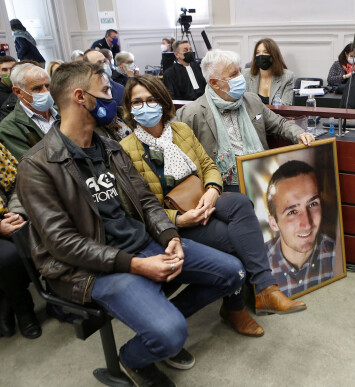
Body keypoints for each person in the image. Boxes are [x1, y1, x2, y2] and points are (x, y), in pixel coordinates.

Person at [17, 61, 246, 386]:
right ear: (81, 97)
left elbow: (146, 201)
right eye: (107, 92)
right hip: (91, 269)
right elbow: (62, 244)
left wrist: (170, 236)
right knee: (172, 334)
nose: (116, 99)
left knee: (232, 272)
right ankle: (132, 358)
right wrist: (137, 265)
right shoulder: (37, 165)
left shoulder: (108, 147)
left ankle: (160, 331)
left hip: (141, 244)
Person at [120, 75, 307, 335]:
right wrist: (178, 220)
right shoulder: (124, 150)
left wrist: (212, 189)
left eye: (151, 99)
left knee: (241, 202)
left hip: (201, 198)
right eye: (137, 102)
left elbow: (208, 165)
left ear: (163, 101)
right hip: (172, 222)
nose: (145, 106)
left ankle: (265, 289)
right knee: (235, 242)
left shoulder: (181, 131)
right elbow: (137, 209)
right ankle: (236, 308)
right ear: (129, 108)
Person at [176, 49, 314, 192]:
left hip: (260, 174)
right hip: (223, 186)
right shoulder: (192, 113)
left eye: (240, 71)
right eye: (233, 74)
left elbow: (280, 124)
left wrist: (299, 133)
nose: (241, 77)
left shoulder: (252, 100)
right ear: (215, 83)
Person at [265, 160, 336, 297]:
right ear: (273, 223)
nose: (307, 224)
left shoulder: (336, 254)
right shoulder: (261, 267)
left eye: (313, 204)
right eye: (292, 212)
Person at [0, 142, 42, 339]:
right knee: (9, 258)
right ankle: (22, 308)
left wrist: (16, 212)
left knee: (41, 233)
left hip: (7, 215)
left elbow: (15, 183)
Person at [0, 63, 58, 160]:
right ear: (18, 92)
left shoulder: (62, 112)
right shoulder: (9, 128)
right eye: (37, 88)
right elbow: (33, 166)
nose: (45, 92)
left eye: (47, 86)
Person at [242, 38, 294, 106]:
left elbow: (286, 105)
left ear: (274, 55)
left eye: (265, 52)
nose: (261, 55)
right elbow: (242, 103)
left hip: (276, 115)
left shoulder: (287, 76)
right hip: (252, 116)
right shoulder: (246, 75)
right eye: (257, 53)